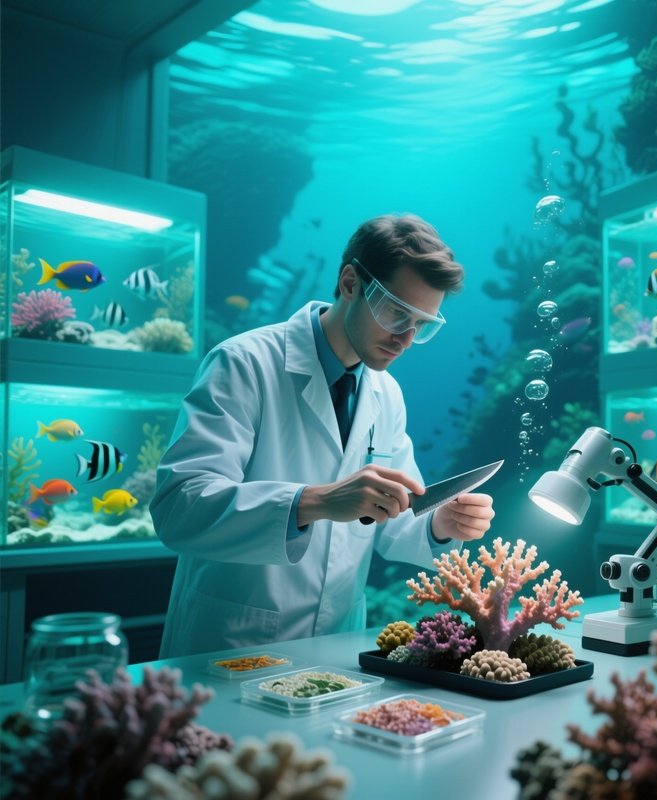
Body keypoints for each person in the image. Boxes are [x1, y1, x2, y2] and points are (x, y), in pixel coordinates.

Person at [151, 213, 496, 658]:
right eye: (396, 312)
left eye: (422, 324)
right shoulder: (242, 364)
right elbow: (178, 508)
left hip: (337, 648)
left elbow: (391, 518)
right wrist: (314, 502)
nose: (406, 339)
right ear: (350, 283)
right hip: (229, 644)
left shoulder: (387, 393)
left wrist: (440, 524)